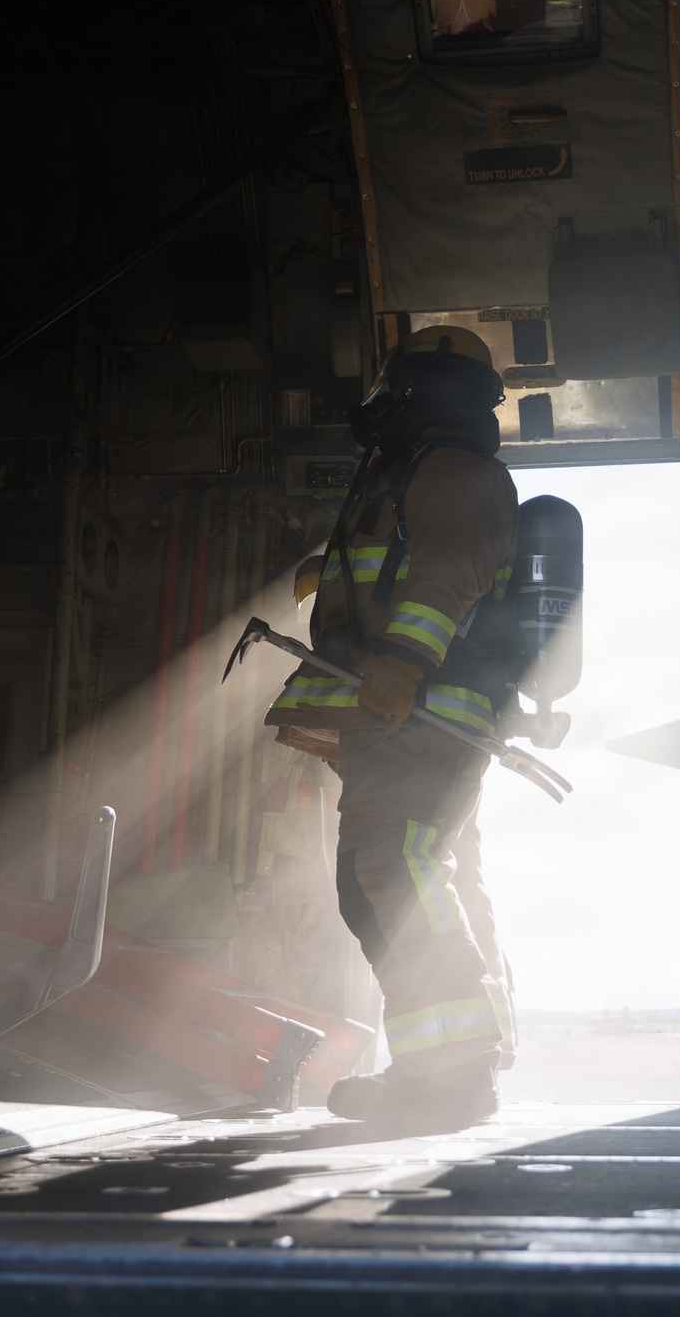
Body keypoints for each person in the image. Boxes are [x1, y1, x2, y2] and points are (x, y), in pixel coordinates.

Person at [265, 325, 518, 1131]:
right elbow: (407, 565)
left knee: (388, 867)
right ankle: (445, 1067)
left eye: (396, 384)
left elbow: (448, 569)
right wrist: (330, 579)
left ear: (424, 389)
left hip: (424, 710)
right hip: (405, 715)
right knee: (411, 875)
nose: (383, 400)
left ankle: (454, 1077)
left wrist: (404, 660)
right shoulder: (414, 473)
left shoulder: (452, 472)